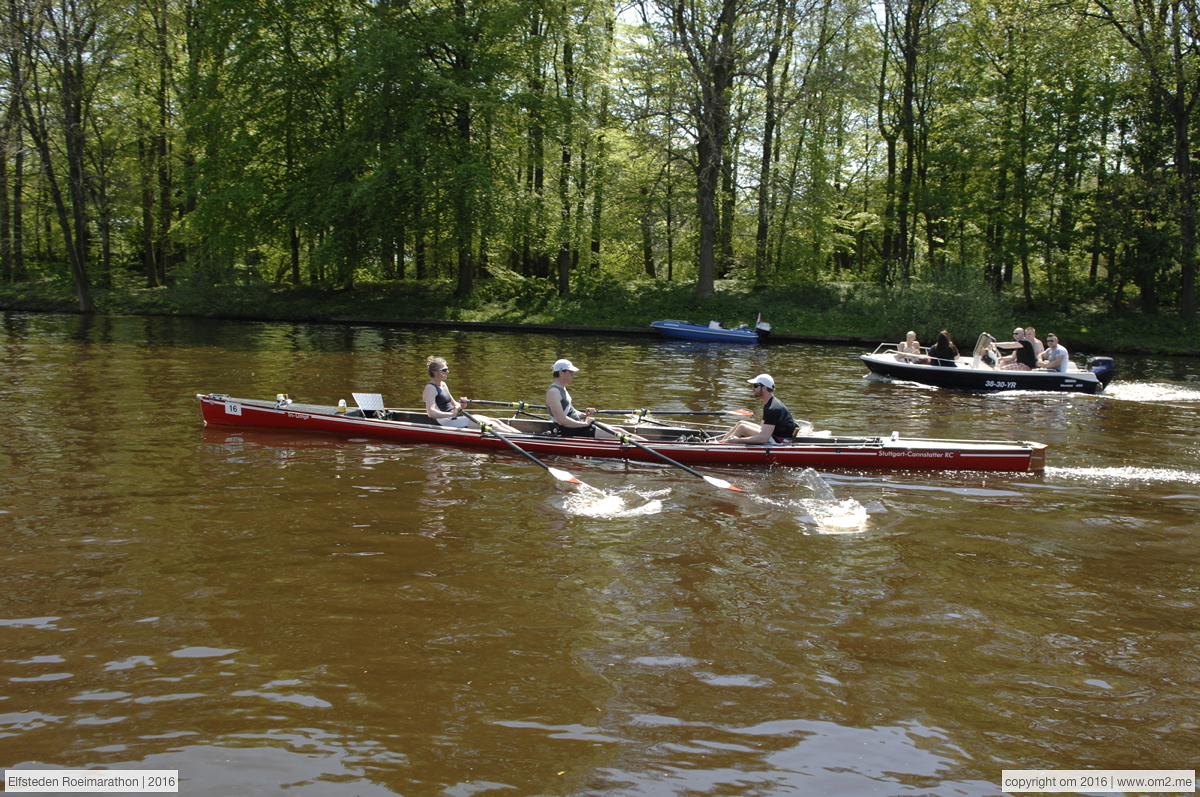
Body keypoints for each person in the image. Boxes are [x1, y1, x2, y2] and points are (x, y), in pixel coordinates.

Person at [546, 359, 644, 440]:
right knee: (620, 436)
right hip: (571, 430)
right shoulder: (553, 392)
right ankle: (653, 449)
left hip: (578, 425)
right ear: (561, 372)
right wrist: (584, 424)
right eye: (570, 372)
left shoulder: (562, 388)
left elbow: (569, 410)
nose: (573, 375)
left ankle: (648, 444)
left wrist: (585, 415)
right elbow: (562, 421)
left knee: (619, 431)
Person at [423, 356, 519, 433]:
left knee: (495, 421)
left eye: (447, 369)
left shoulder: (443, 384)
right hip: (446, 422)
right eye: (444, 370)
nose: (447, 372)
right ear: (435, 373)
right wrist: (452, 413)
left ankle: (522, 436)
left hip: (454, 417)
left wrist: (461, 404)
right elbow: (431, 413)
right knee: (492, 426)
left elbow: (454, 404)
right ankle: (520, 440)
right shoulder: (430, 388)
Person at [712, 374, 799, 445]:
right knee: (741, 423)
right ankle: (721, 443)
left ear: (764, 388)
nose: (753, 389)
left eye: (755, 386)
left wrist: (738, 440)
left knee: (742, 428)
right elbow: (762, 428)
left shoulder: (773, 408)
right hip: (773, 435)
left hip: (780, 441)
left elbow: (763, 438)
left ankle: (720, 447)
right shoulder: (769, 404)